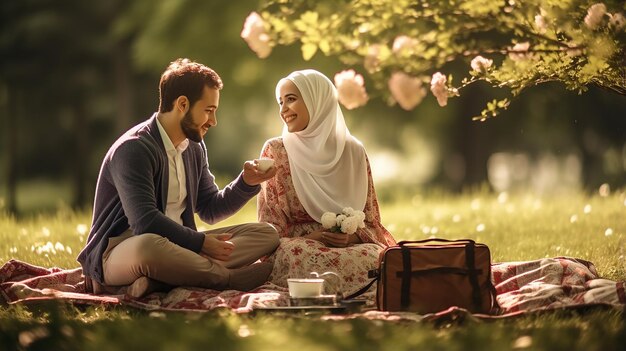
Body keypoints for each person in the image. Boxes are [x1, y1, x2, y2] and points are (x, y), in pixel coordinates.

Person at [77, 58, 280, 298]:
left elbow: (209, 209)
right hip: (122, 251)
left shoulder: (193, 148)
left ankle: (161, 280)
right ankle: (226, 279)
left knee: (266, 234)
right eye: (208, 111)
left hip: (183, 248)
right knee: (149, 246)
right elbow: (145, 222)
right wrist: (201, 244)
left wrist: (246, 183)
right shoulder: (134, 149)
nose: (213, 121)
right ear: (182, 104)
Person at [257, 69, 396, 296]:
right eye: (280, 102)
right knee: (299, 255)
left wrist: (350, 237)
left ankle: (358, 294)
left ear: (317, 100)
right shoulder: (276, 151)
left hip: (350, 247)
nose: (283, 110)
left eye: (290, 99)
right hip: (299, 247)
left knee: (373, 257)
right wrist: (313, 239)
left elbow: (371, 221)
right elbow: (270, 227)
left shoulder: (354, 152)